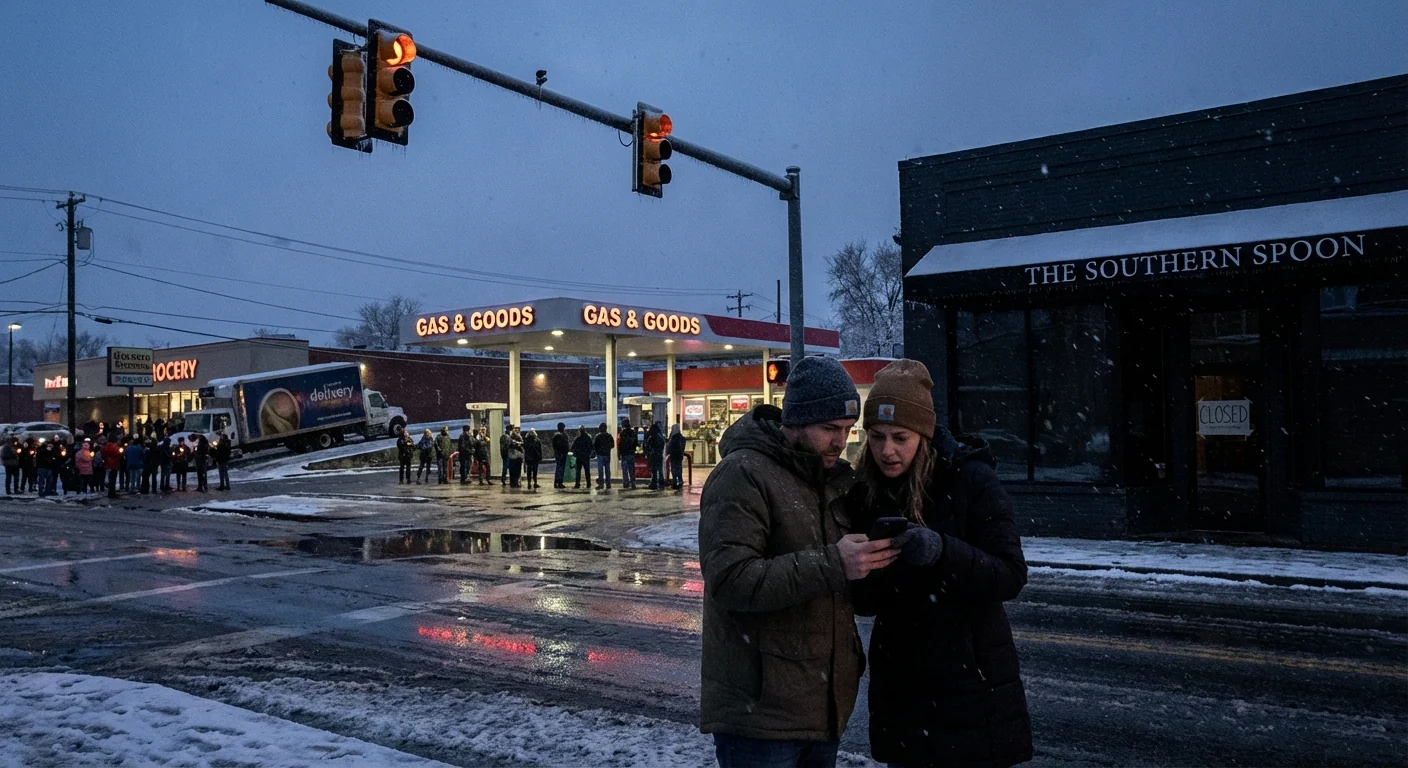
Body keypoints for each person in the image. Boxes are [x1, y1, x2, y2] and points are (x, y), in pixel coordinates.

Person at [699, 356, 897, 768]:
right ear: (795, 422)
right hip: (761, 717)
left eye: (847, 430)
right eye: (829, 429)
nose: (841, 442)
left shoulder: (832, 480)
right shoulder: (743, 474)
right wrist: (834, 564)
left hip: (821, 709)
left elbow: (839, 590)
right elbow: (730, 579)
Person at [848, 360, 1032, 768]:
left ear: (924, 434)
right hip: (900, 688)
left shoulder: (971, 479)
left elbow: (1009, 574)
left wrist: (942, 552)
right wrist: (861, 565)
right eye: (875, 437)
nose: (886, 450)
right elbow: (863, 601)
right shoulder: (865, 491)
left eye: (900, 437)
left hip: (972, 684)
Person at [617, 419, 639, 490]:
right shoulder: (633, 433)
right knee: (632, 469)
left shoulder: (622, 433)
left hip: (624, 453)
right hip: (631, 453)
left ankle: (626, 483)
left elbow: (619, 444)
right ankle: (633, 483)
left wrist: (619, 453)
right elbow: (636, 443)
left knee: (625, 469)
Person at [593, 423, 615, 490]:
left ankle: (601, 484)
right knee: (607, 470)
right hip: (607, 455)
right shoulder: (609, 436)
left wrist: (598, 451)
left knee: (600, 470)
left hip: (600, 455)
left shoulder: (598, 436)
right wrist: (607, 448)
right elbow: (612, 445)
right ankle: (608, 484)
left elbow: (595, 446)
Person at [644, 422, 666, 491]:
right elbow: (662, 444)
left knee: (654, 470)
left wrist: (650, 451)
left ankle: (654, 484)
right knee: (660, 470)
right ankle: (661, 484)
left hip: (654, 456)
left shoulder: (652, 437)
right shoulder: (661, 436)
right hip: (659, 455)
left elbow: (647, 446)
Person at [667, 424, 687, 490]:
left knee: (674, 469)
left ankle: (675, 481)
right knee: (679, 468)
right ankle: (680, 481)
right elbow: (682, 447)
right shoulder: (682, 438)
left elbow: (669, 447)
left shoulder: (673, 438)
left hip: (673, 455)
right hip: (679, 455)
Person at [551, 423, 570, 489]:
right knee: (561, 469)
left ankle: (557, 482)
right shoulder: (563, 435)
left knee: (559, 468)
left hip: (559, 454)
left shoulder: (556, 436)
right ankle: (559, 482)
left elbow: (555, 446)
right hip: (562, 454)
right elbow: (565, 445)